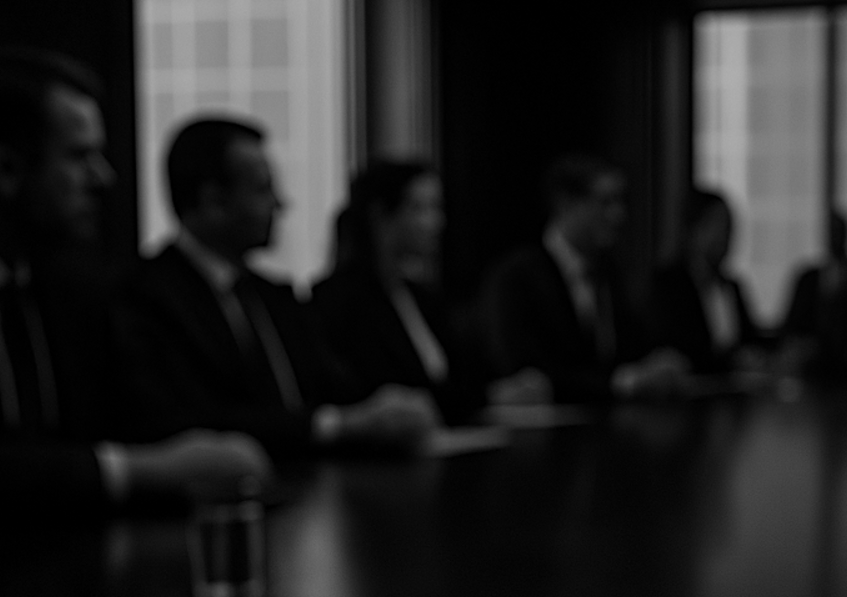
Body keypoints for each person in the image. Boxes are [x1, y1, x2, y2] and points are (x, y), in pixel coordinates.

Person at [0, 49, 269, 524]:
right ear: (6, 171)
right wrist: (134, 471)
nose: (104, 178)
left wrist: (212, 449)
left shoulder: (75, 287)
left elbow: (152, 420)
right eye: (80, 157)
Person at [117, 117, 439, 457]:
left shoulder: (273, 296)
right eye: (262, 189)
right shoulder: (147, 297)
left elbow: (336, 389)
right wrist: (335, 425)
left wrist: (389, 407)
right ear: (213, 202)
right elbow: (199, 421)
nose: (280, 204)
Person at [477, 154, 677, 404]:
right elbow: (529, 373)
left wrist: (657, 362)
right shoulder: (517, 277)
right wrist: (622, 383)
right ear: (566, 203)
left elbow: (632, 347)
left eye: (620, 202)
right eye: (604, 202)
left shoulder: (609, 272)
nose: (618, 215)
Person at [311, 160, 484, 425]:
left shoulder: (423, 298)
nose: (436, 222)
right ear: (380, 216)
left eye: (436, 208)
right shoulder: (337, 301)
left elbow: (464, 383)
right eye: (420, 209)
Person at [646, 187, 762, 375]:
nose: (724, 235)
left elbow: (749, 340)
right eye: (716, 225)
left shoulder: (732, 286)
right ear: (693, 229)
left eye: (728, 227)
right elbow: (675, 348)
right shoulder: (670, 284)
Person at [778, 211, 847, 380]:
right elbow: (791, 325)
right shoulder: (808, 278)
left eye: (840, 232)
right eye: (832, 232)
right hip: (810, 365)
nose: (836, 238)